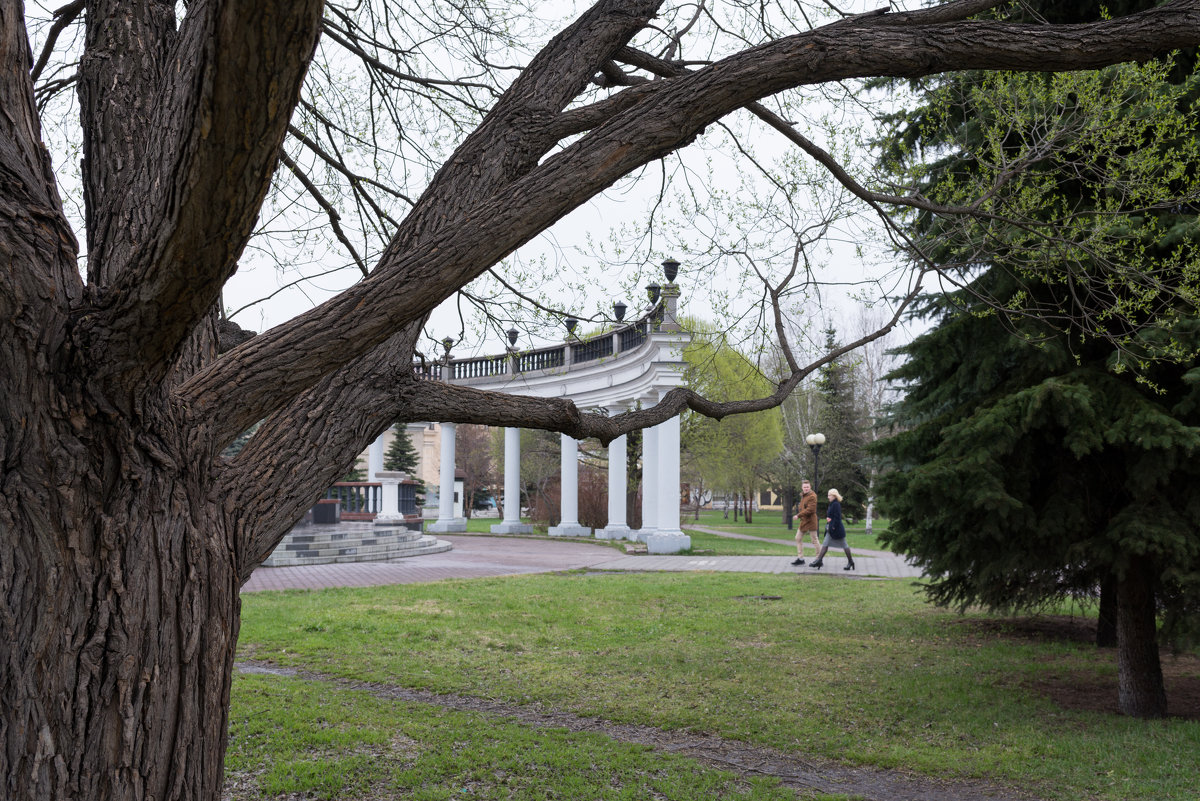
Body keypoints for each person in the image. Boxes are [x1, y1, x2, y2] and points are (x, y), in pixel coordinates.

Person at [810, 488, 855, 571]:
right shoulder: (832, 504)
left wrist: (833, 526)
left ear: (834, 496)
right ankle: (819, 560)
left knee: (845, 546)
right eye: (828, 495)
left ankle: (851, 562)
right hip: (830, 528)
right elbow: (832, 515)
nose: (828, 497)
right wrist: (829, 518)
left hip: (836, 529)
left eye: (829, 495)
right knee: (825, 544)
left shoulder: (836, 504)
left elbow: (838, 518)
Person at [791, 480, 819, 566]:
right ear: (802, 488)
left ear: (810, 487)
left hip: (811, 521)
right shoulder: (803, 495)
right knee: (798, 538)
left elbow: (811, 510)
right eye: (804, 487)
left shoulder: (812, 496)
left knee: (814, 540)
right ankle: (801, 558)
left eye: (807, 487)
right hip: (804, 521)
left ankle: (819, 559)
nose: (806, 488)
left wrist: (798, 515)